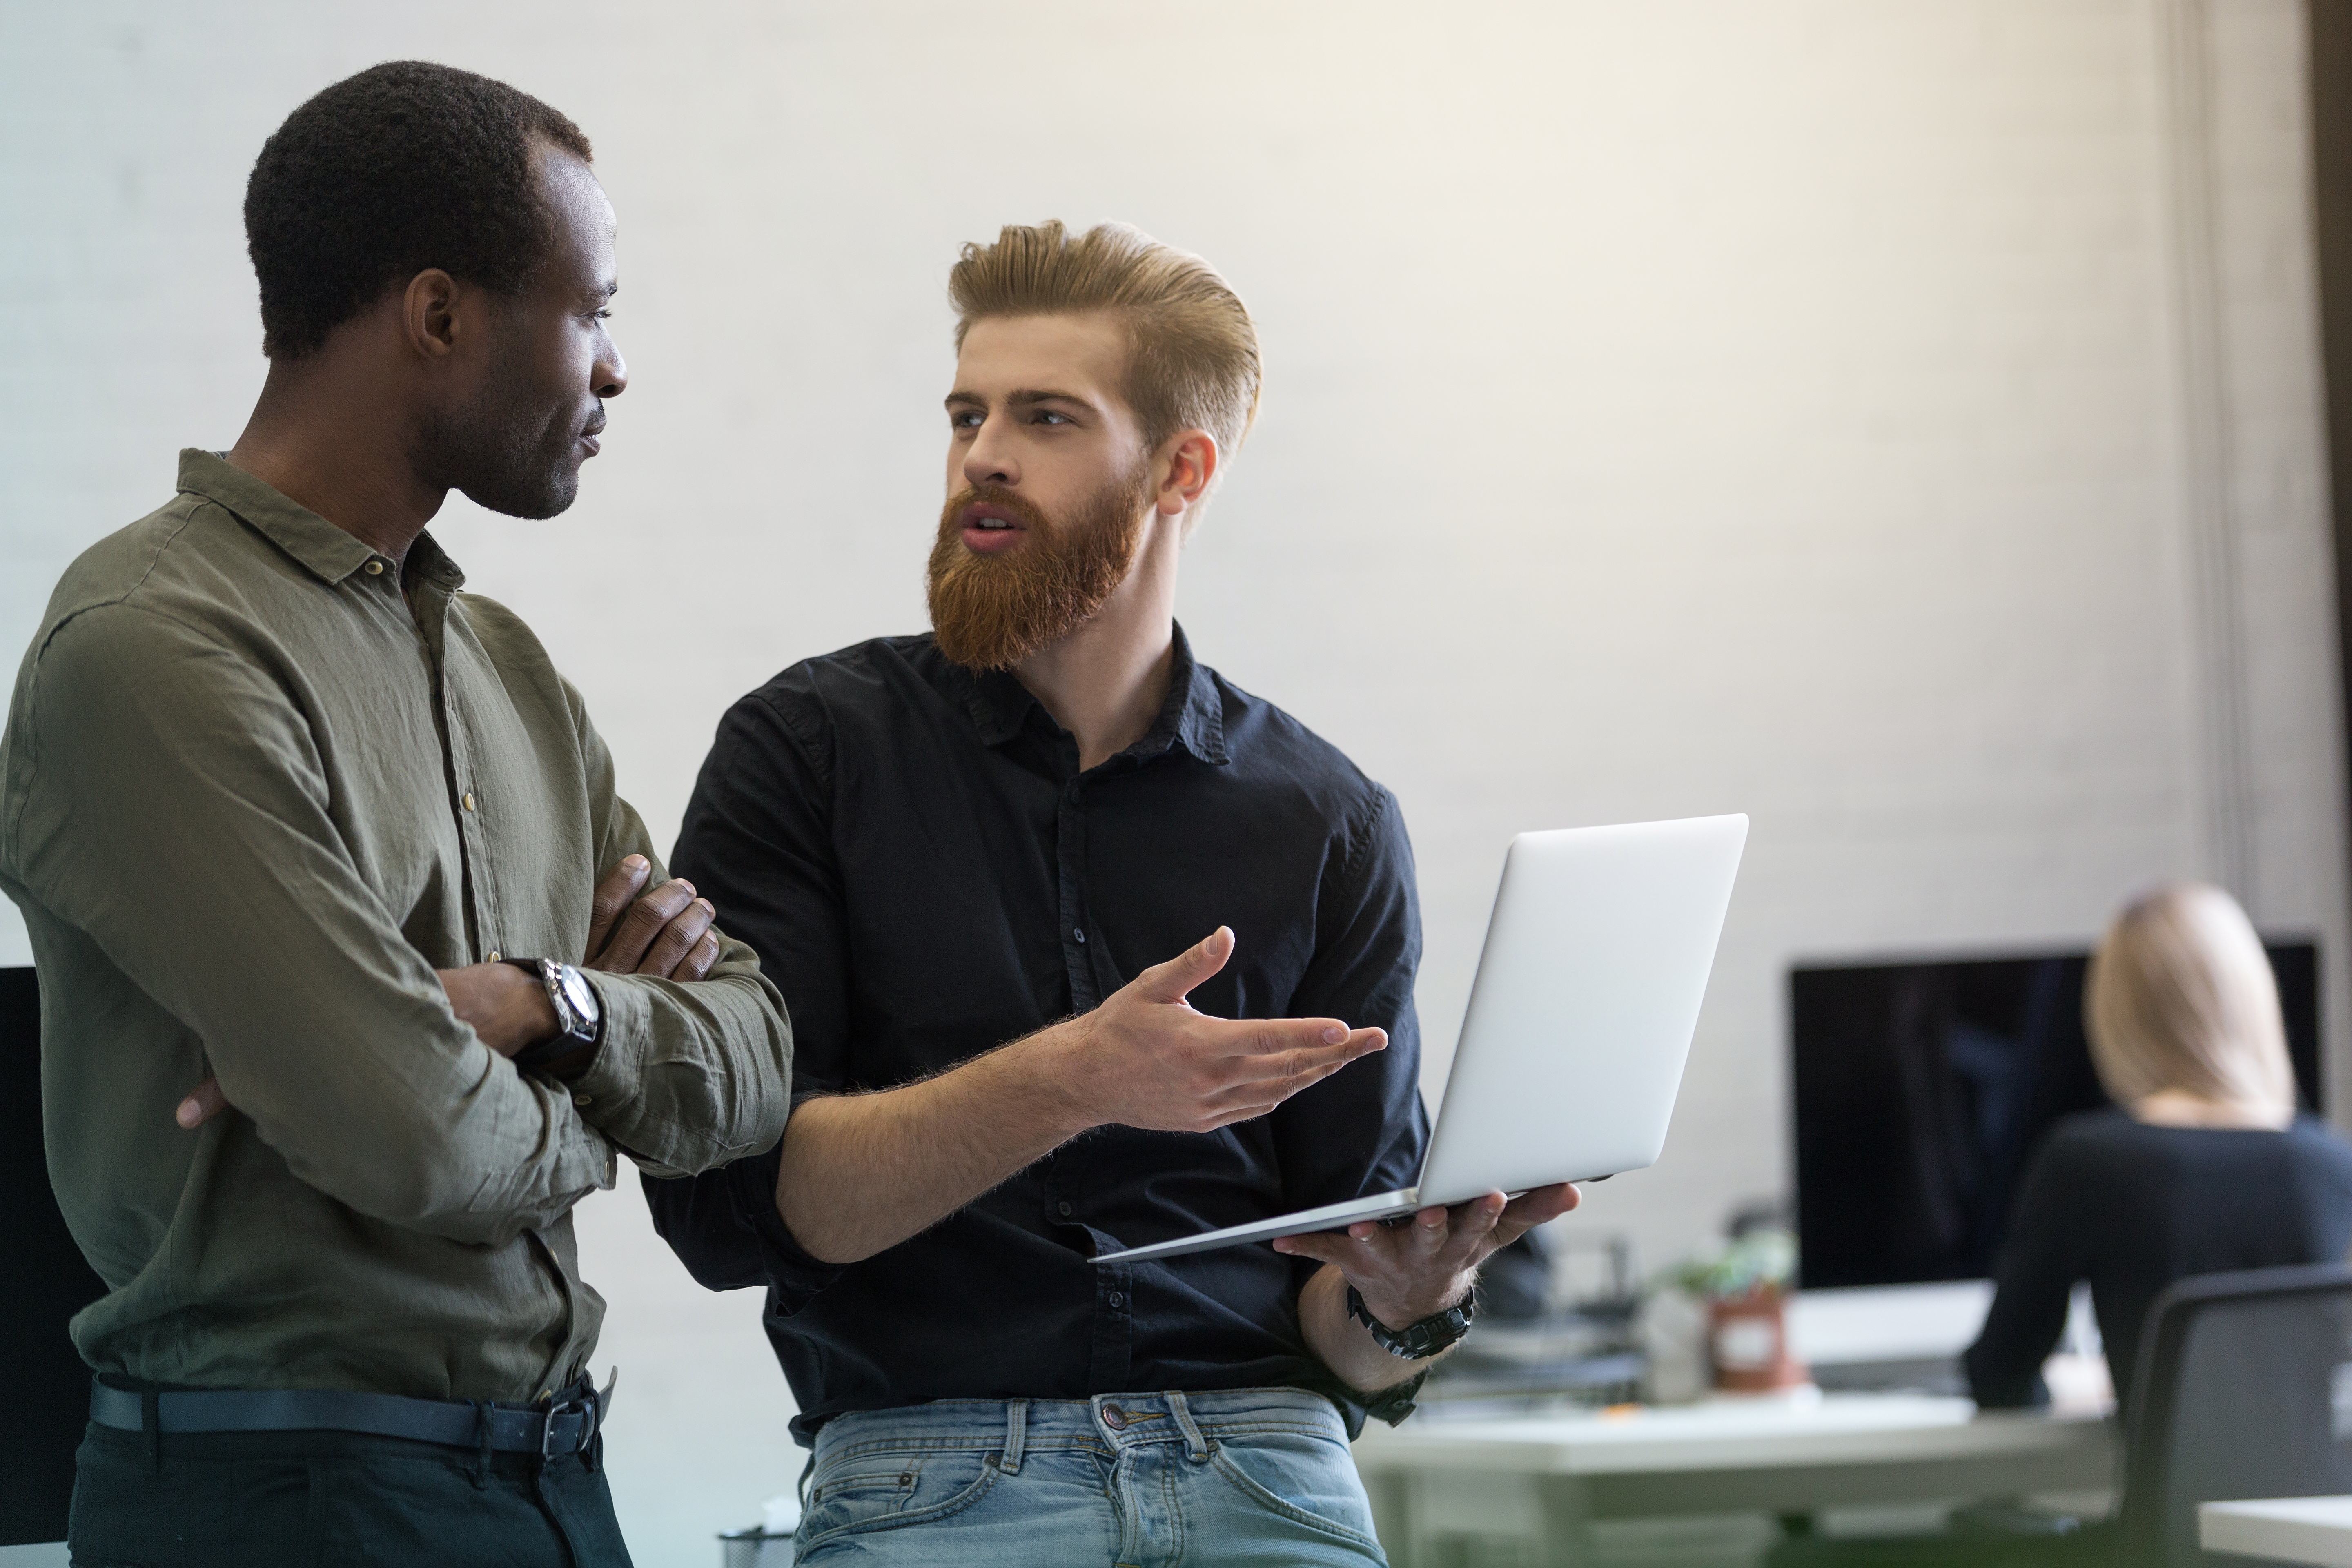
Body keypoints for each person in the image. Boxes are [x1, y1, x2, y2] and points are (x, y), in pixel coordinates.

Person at [645, 221, 1579, 1566]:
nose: (984, 453)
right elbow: (748, 1214)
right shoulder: (809, 754)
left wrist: (1414, 1298)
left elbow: (1355, 1346)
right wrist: (1077, 1077)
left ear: (1179, 471)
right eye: (969, 411)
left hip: (1264, 1463)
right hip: (937, 1474)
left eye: (1047, 417)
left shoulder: (1328, 819)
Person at [0, 62, 792, 1566]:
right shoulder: (151, 645)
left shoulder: (509, 672)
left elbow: (752, 1065)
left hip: (556, 1486)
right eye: (594, 309)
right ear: (440, 316)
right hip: (284, 1500)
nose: (615, 368)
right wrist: (605, 1073)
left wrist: (538, 1010)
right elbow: (411, 1132)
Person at [1964, 882, 2352, 1413]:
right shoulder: (2330, 1165)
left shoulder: (2086, 1163)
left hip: (2162, 1500)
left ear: (2116, 1013)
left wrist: (2078, 1384)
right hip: (2313, 1497)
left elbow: (1996, 1378)